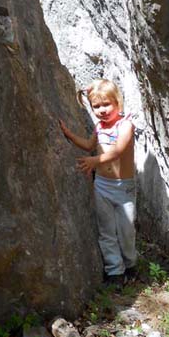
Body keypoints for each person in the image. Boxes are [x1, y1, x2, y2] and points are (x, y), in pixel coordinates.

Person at [59, 79, 137, 286]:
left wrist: (94, 161)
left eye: (106, 105)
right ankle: (115, 271)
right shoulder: (99, 127)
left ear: (117, 102)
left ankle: (130, 263)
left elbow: (118, 150)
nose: (102, 110)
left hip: (123, 187)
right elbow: (88, 145)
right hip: (102, 185)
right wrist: (69, 135)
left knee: (126, 230)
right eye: (96, 106)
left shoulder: (126, 125)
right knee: (107, 230)